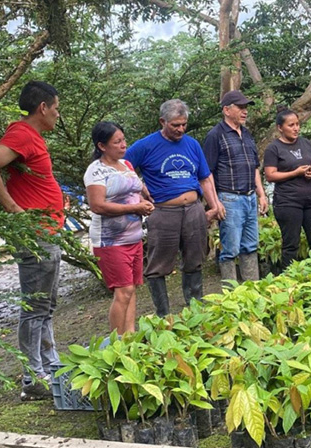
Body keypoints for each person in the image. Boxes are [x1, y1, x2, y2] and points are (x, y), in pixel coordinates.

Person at [0, 81, 64, 401]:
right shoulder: (22, 133)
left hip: (46, 233)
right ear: (43, 108)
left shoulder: (32, 137)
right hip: (35, 236)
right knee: (35, 307)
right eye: (55, 107)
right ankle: (32, 376)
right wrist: (13, 210)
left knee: (46, 305)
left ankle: (49, 366)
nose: (57, 114)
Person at [124, 99, 224, 317]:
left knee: (195, 259)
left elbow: (205, 177)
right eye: (175, 125)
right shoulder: (145, 145)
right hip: (163, 212)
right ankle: (163, 315)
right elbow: (121, 167)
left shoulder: (192, 144)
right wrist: (140, 188)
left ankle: (194, 309)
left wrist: (215, 205)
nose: (180, 129)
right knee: (159, 263)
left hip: (193, 210)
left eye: (184, 124)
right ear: (162, 121)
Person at [84, 122, 154, 335]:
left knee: (132, 288)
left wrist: (147, 198)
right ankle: (117, 340)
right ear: (102, 146)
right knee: (123, 291)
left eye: (124, 140)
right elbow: (97, 205)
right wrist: (135, 207)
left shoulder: (126, 165)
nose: (124, 145)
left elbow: (138, 187)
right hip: (111, 241)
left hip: (133, 237)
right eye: (117, 142)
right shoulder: (96, 170)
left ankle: (130, 335)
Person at [203, 90, 268, 286]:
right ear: (226, 110)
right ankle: (230, 296)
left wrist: (262, 195)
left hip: (249, 198)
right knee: (230, 249)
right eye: (240, 107)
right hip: (229, 199)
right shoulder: (215, 135)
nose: (245, 111)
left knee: (250, 246)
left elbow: (254, 167)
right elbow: (207, 173)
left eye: (246, 107)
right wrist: (215, 203)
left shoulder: (247, 134)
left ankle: (252, 291)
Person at [263, 107, 311, 273]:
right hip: (287, 202)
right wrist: (295, 173)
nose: (296, 128)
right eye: (291, 125)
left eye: (297, 124)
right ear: (280, 128)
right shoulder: (273, 148)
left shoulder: (306, 143)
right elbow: (270, 175)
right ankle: (288, 278)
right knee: (291, 243)